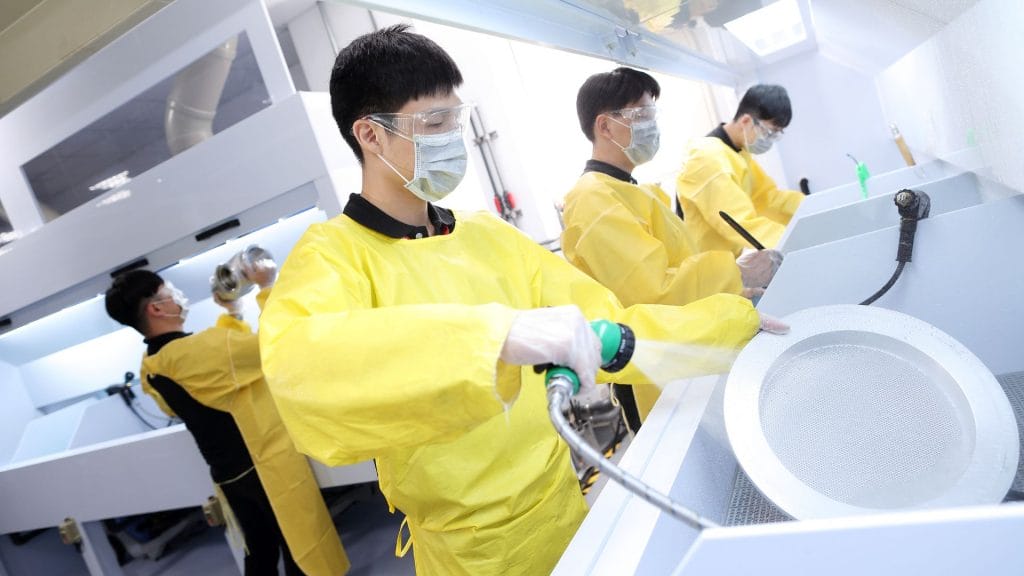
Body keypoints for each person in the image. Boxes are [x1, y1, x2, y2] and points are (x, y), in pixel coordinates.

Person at [258, 25, 784, 576]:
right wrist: (494, 340)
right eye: (434, 124)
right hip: (472, 551)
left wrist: (731, 323)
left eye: (455, 121)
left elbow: (612, 324)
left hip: (564, 507)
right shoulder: (333, 256)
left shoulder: (488, 237)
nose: (451, 139)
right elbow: (306, 370)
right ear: (370, 135)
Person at [561, 67, 784, 427]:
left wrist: (735, 284)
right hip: (649, 369)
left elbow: (680, 266)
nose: (652, 125)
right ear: (604, 127)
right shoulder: (593, 199)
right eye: (641, 115)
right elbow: (651, 292)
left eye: (653, 114)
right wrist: (734, 271)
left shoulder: (630, 189)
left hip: (686, 346)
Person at [104, 264, 349, 576]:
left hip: (230, 477)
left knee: (260, 550)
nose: (177, 296)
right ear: (156, 308)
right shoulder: (198, 349)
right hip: (264, 468)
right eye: (170, 293)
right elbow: (276, 346)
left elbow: (220, 373)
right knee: (301, 549)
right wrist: (267, 286)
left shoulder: (152, 365)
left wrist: (233, 312)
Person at [675, 84, 805, 255]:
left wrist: (810, 208)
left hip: (723, 263)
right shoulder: (706, 157)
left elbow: (767, 199)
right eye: (768, 133)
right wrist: (793, 241)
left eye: (776, 135)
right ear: (745, 121)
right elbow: (738, 220)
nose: (770, 140)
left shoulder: (737, 153)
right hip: (702, 267)